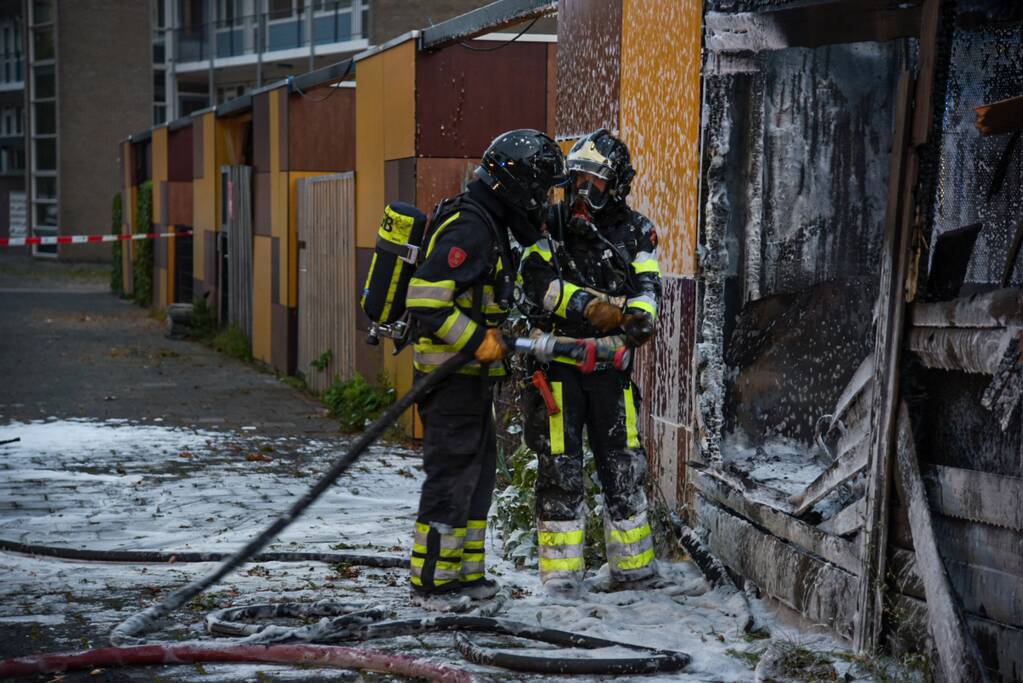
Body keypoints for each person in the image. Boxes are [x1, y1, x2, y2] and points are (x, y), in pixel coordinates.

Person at [404, 129, 567, 603]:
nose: (541, 200)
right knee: (450, 479)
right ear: (515, 185)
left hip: (471, 382)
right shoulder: (470, 227)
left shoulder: (490, 222)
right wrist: (478, 341)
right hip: (449, 379)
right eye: (539, 189)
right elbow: (425, 300)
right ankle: (433, 581)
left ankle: (466, 575)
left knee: (476, 481)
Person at [518, 129, 662, 597]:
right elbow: (537, 283)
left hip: (611, 372)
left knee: (623, 468)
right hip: (557, 370)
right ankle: (560, 578)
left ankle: (633, 570)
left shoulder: (637, 230)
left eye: (593, 181)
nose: (582, 189)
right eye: (576, 178)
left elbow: (647, 291)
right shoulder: (549, 223)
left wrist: (637, 318)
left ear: (615, 184)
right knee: (560, 469)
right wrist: (591, 307)